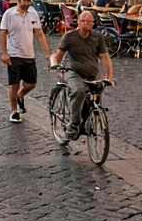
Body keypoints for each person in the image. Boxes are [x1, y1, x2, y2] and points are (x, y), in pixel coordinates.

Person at [49, 9, 114, 140]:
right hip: (73, 72)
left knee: (96, 95)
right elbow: (58, 55)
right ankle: (73, 126)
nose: (87, 23)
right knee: (79, 91)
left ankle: (88, 121)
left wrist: (109, 76)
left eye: (89, 21)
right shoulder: (69, 37)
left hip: (92, 73)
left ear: (93, 23)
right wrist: (57, 66)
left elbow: (105, 58)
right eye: (83, 21)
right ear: (78, 22)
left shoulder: (97, 37)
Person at [0, 0, 53, 123]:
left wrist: (48, 54)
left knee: (31, 84)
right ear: (18, 0)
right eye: (25, 0)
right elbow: (3, 33)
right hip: (14, 54)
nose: (28, 3)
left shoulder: (33, 14)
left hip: (29, 55)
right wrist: (5, 53)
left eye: (29, 1)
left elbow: (40, 34)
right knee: (14, 84)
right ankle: (14, 111)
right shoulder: (9, 14)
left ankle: (20, 95)